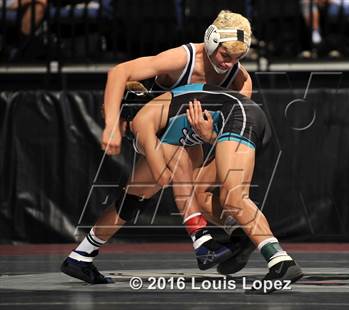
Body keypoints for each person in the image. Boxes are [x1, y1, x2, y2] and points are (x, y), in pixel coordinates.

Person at [61, 10, 256, 284]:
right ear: (212, 42)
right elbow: (120, 72)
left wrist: (211, 135)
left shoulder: (241, 80)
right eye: (226, 55)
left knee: (137, 196)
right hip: (148, 123)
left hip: (187, 135)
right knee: (179, 161)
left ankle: (81, 257)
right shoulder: (183, 58)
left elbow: (230, 130)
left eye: (238, 58)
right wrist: (112, 126)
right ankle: (203, 240)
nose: (230, 63)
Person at [111, 83, 304, 293]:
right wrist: (209, 137)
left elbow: (164, 176)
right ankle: (242, 235)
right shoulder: (167, 118)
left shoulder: (146, 120)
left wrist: (147, 174)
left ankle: (280, 261)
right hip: (236, 121)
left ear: (126, 113)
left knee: (234, 197)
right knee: (197, 196)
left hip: (240, 116)